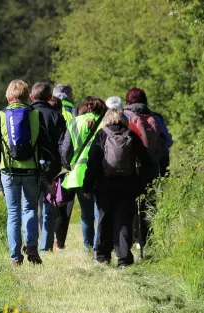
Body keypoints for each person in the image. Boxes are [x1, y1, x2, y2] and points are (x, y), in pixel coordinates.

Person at [0, 79, 57, 265]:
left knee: (13, 213)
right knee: (30, 209)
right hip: (31, 172)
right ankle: (32, 245)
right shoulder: (35, 114)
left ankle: (15, 256)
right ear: (27, 96)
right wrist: (50, 175)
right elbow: (46, 147)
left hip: (8, 172)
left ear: (8, 96)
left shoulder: (0, 115)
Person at [83, 109, 151, 267]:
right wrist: (141, 183)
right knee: (124, 221)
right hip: (127, 186)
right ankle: (123, 259)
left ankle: (102, 256)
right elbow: (146, 160)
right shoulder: (131, 135)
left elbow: (92, 162)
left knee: (104, 220)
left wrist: (87, 185)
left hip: (104, 186)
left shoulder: (101, 134)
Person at [123, 88, 169, 250]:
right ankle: (146, 240)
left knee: (128, 202)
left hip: (128, 166)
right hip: (150, 166)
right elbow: (167, 142)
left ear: (127, 101)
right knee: (148, 202)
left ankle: (128, 239)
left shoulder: (123, 116)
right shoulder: (156, 117)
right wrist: (164, 168)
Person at [61, 97, 107, 251]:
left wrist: (69, 165)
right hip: (101, 172)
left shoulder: (74, 122)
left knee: (86, 214)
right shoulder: (105, 122)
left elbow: (66, 150)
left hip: (79, 173)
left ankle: (88, 247)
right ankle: (99, 246)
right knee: (100, 211)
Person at [29, 82, 63, 252]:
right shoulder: (56, 115)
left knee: (30, 207)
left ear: (32, 96)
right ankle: (45, 246)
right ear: (50, 97)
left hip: (30, 166)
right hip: (52, 168)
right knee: (49, 208)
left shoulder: (27, 113)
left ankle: (30, 243)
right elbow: (63, 143)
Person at [49, 84, 76, 249]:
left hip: (47, 161)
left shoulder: (45, 109)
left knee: (48, 202)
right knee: (64, 202)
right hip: (67, 163)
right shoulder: (74, 111)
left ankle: (46, 239)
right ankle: (60, 241)